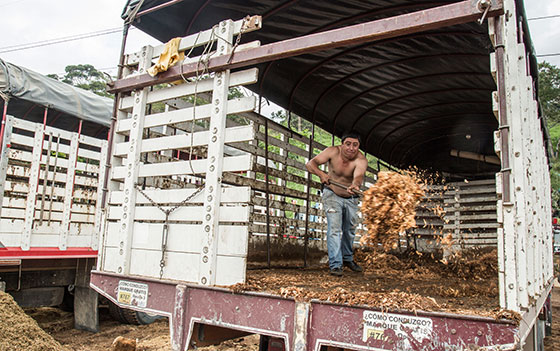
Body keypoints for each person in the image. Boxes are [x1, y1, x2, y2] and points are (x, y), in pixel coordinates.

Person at [306, 131, 367, 276]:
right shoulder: (332, 151)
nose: (351, 148)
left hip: (351, 197)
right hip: (332, 193)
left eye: (355, 145)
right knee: (334, 229)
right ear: (342, 144)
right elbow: (310, 164)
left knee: (350, 229)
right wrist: (322, 175)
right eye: (348, 144)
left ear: (358, 146)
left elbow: (358, 176)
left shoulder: (361, 160)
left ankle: (347, 259)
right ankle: (335, 264)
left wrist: (355, 185)